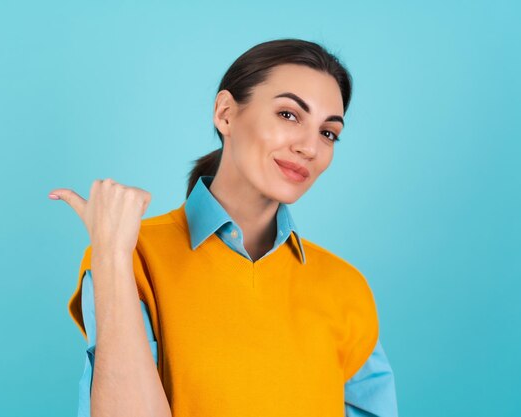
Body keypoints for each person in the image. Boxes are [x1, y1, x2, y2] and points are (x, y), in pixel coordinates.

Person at [49, 38, 398, 417]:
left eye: (327, 133)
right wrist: (111, 256)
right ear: (226, 114)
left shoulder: (346, 289)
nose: (309, 147)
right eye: (289, 115)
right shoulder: (132, 257)